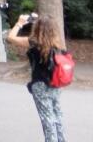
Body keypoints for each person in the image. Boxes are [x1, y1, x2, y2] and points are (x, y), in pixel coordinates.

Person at [7, 14, 66, 142]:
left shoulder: (34, 42)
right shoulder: (58, 44)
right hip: (56, 84)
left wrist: (20, 23)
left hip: (40, 85)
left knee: (47, 119)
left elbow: (10, 37)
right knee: (57, 115)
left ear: (38, 28)